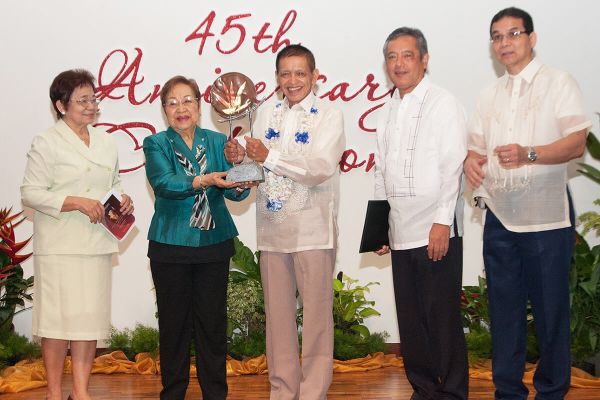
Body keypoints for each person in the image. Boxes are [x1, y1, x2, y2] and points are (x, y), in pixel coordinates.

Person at [464, 7, 592, 399]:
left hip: (545, 217)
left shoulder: (558, 82)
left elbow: (577, 142)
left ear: (532, 38)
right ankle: (508, 391)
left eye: (513, 33)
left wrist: (529, 154)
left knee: (551, 310)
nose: (505, 43)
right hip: (500, 215)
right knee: (504, 310)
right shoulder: (488, 95)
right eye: (497, 36)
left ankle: (552, 391)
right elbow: (475, 148)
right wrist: (470, 161)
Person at [225, 44, 346, 400]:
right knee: (277, 319)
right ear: (277, 78)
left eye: (300, 73)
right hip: (272, 231)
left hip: (313, 231)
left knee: (317, 319)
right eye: (285, 73)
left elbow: (320, 167)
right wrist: (238, 157)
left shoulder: (329, 114)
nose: (292, 80)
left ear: (315, 76)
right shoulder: (265, 113)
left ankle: (312, 393)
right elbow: (253, 165)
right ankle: (282, 391)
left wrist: (269, 155)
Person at [21, 69, 134, 400]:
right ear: (61, 105)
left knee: (88, 322)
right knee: (56, 323)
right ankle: (55, 392)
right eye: (82, 100)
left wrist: (123, 198)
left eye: (93, 99)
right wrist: (75, 202)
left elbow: (113, 183)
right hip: (59, 246)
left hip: (96, 244)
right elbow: (31, 193)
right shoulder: (46, 142)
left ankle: (81, 391)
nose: (91, 106)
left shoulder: (106, 142)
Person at [373, 27, 469, 400]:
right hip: (400, 231)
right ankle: (424, 390)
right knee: (411, 323)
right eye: (392, 57)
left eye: (407, 55)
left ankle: (453, 393)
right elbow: (381, 172)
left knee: (442, 320)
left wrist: (443, 221)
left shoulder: (443, 103)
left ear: (424, 60)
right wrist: (378, 229)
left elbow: (453, 167)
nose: (399, 64)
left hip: (435, 229)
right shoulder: (387, 110)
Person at [143, 75, 249, 400]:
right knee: (174, 327)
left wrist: (241, 175)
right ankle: (173, 393)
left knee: (212, 326)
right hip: (170, 244)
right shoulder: (156, 143)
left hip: (213, 244)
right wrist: (204, 180)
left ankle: (215, 394)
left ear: (200, 106)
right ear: (164, 110)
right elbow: (164, 183)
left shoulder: (219, 142)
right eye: (173, 103)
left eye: (187, 100)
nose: (181, 108)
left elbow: (235, 193)